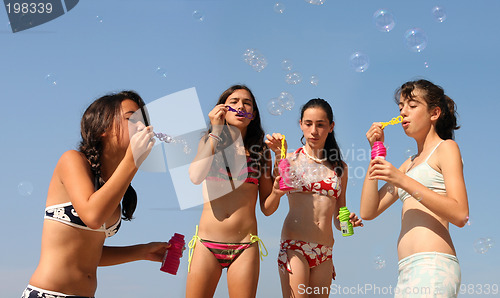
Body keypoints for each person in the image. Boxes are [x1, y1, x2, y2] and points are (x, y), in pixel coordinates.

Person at [22, 91, 170, 298]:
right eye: (131, 119)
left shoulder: (113, 185)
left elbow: (89, 254)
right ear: (102, 128)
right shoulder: (72, 161)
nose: (142, 127)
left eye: (144, 121)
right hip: (48, 294)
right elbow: (93, 216)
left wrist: (143, 251)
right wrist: (133, 161)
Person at [360, 80, 468, 297]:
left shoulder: (446, 148)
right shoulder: (408, 164)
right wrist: (376, 152)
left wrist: (401, 180)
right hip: (406, 269)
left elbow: (460, 214)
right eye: (400, 107)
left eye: (412, 105)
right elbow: (368, 211)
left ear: (434, 113)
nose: (403, 113)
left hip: (433, 265)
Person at [263, 98, 363, 298]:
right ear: (300, 124)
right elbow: (268, 209)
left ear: (331, 127)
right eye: (308, 124)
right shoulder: (289, 160)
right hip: (294, 246)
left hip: (325, 252)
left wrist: (348, 223)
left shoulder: (340, 168)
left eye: (320, 125)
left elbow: (339, 219)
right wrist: (277, 158)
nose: (314, 131)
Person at [186, 85, 274, 298]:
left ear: (252, 115)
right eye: (233, 101)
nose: (240, 106)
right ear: (222, 109)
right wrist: (216, 132)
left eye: (247, 103)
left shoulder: (262, 152)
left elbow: (267, 208)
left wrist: (279, 188)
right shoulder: (209, 142)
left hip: (244, 246)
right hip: (207, 243)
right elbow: (195, 176)